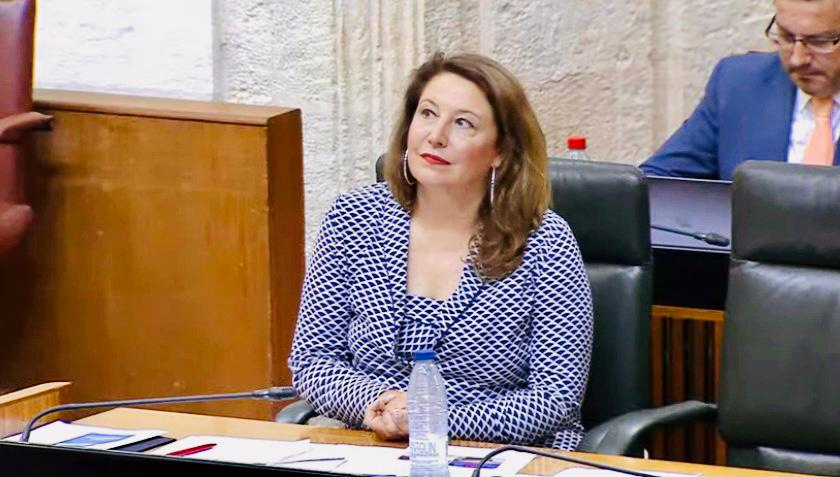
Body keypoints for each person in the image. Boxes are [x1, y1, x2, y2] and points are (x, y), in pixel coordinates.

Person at [288, 52, 594, 449]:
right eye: (428, 114)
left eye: (463, 123)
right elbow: (312, 360)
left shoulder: (544, 241)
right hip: (369, 446)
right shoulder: (354, 217)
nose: (436, 136)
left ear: (501, 150)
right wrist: (377, 405)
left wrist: (430, 417)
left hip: (503, 454)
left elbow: (556, 400)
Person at [640, 0, 840, 180]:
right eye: (786, 37)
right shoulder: (739, 84)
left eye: (819, 42)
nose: (798, 59)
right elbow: (658, 181)